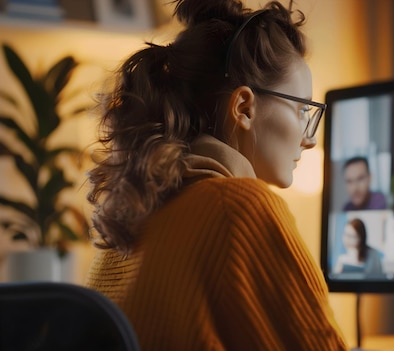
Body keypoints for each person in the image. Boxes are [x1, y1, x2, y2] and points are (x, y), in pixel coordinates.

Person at [84, 1, 347, 350]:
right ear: (244, 108)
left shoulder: (133, 220)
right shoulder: (237, 208)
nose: (311, 139)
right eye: (303, 110)